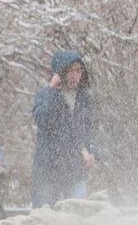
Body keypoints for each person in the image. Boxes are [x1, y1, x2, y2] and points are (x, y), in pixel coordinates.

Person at [31, 49, 97, 207]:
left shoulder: (84, 99)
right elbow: (43, 119)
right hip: (48, 168)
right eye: (70, 71)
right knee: (43, 216)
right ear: (60, 73)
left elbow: (89, 129)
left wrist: (92, 151)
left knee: (78, 216)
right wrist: (52, 91)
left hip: (76, 169)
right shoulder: (45, 95)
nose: (75, 75)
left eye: (79, 70)